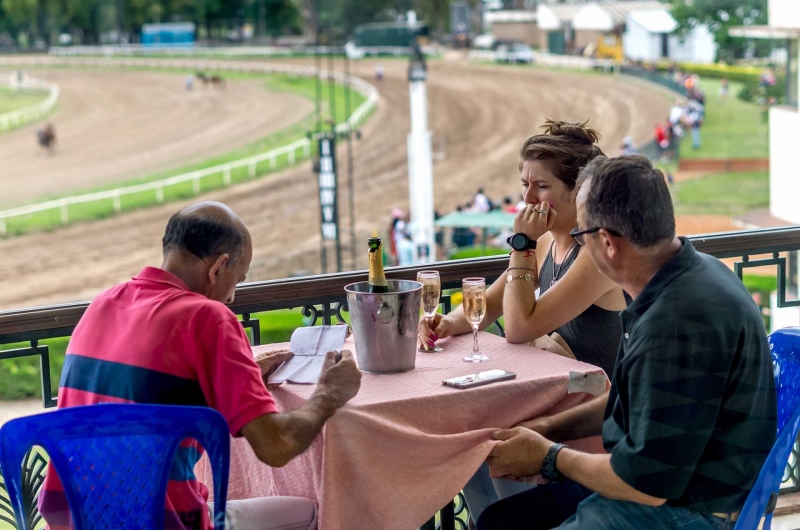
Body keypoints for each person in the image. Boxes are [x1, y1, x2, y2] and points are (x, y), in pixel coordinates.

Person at [477, 156, 776, 530]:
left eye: (580, 236)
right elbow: (631, 397)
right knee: (500, 520)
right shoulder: (689, 274)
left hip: (690, 508)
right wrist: (549, 428)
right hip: (674, 488)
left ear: (606, 242)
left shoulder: (673, 322)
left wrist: (549, 456)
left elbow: (645, 484)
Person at [39, 202, 362, 530]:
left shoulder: (103, 303)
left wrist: (237, 380)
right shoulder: (208, 318)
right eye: (238, 279)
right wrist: (328, 395)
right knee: (312, 513)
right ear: (219, 267)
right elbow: (276, 447)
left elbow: (144, 400)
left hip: (77, 518)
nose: (233, 296)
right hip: (163, 521)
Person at [420, 120, 628, 519]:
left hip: (591, 424)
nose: (528, 199)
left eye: (542, 186)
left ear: (577, 192)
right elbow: (491, 304)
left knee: (490, 448)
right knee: (473, 447)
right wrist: (446, 323)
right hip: (549, 401)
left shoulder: (595, 254)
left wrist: (522, 245)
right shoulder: (550, 240)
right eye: (524, 184)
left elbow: (518, 328)